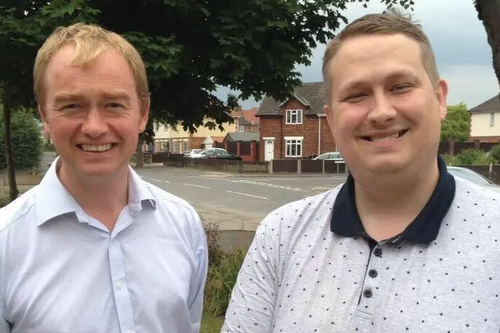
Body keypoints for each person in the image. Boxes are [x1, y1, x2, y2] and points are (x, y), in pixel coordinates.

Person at [222, 12, 500, 332]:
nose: (381, 112)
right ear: (331, 118)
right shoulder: (281, 235)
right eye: (356, 95)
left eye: (400, 87)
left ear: (439, 99)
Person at [0, 23, 208, 333]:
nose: (95, 127)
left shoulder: (183, 225)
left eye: (113, 104)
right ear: (44, 115)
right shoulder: (5, 242)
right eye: (72, 105)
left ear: (142, 113)